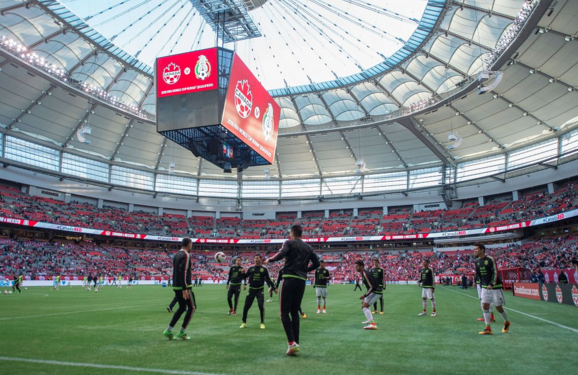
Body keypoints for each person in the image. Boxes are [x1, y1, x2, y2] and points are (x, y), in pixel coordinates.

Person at [264, 224, 320, 356]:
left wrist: (270, 260)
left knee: (284, 313)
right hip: (301, 281)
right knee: (295, 312)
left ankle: (291, 343)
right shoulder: (309, 247)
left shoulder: (288, 242)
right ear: (301, 234)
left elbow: (281, 254)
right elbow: (316, 263)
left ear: (292, 233)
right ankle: (296, 343)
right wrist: (304, 270)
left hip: (289, 279)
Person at [474, 243, 511, 335]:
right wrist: (478, 283)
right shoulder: (477, 261)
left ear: (482, 250)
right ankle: (488, 328)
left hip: (495, 287)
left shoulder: (490, 259)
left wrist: (492, 283)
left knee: (498, 308)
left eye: (476, 249)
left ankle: (506, 322)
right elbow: (479, 274)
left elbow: (495, 272)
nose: (474, 251)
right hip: (484, 287)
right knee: (485, 306)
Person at [163, 238, 196, 341]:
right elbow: (184, 272)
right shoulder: (186, 255)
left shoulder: (176, 255)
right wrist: (185, 288)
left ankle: (168, 330)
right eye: (191, 244)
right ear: (189, 244)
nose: (192, 246)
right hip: (184, 287)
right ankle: (182, 332)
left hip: (176, 286)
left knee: (182, 308)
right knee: (192, 307)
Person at [240, 254, 276, 329]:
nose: (256, 259)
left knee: (261, 306)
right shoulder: (251, 268)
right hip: (251, 290)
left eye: (257, 258)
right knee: (246, 306)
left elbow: (268, 279)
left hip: (260, 290)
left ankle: (262, 323)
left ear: (261, 259)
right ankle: (244, 322)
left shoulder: (264, 269)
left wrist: (274, 287)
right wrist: (242, 273)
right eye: (255, 258)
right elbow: (245, 277)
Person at [354, 260, 382, 330]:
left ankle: (372, 324)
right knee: (364, 303)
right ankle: (369, 320)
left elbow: (372, 287)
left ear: (361, 266)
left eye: (357, 266)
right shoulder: (364, 273)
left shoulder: (365, 274)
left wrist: (365, 295)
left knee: (364, 306)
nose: (356, 268)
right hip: (375, 291)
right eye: (355, 266)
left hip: (376, 291)